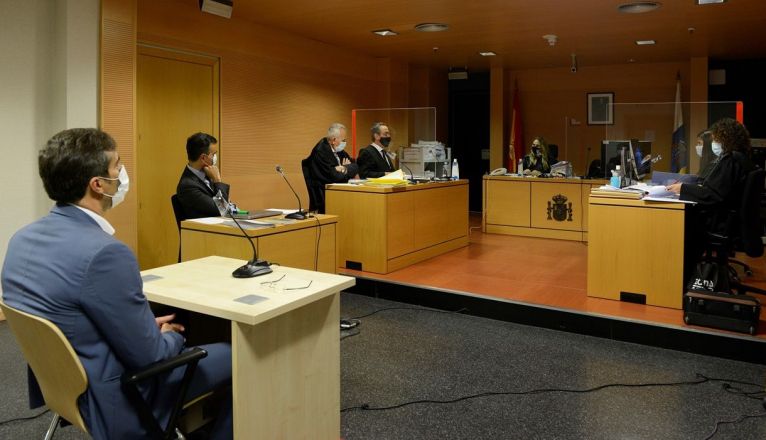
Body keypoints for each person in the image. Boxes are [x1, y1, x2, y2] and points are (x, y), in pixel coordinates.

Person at [1, 128, 232, 439]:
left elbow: (74, 312)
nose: (122, 173)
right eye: (117, 165)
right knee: (238, 356)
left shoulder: (21, 239)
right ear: (98, 185)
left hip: (62, 386)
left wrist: (141, 327)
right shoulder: (106, 253)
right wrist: (169, 335)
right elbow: (152, 356)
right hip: (118, 395)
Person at [666, 118, 754, 286]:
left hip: (718, 223)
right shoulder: (741, 158)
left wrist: (682, 188)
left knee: (678, 228)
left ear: (726, 138)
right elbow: (717, 189)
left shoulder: (730, 160)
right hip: (730, 221)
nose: (714, 143)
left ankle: (681, 283)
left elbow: (713, 194)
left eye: (716, 139)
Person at [305, 122, 359, 213]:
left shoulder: (339, 150)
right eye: (344, 140)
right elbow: (334, 177)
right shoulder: (320, 152)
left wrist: (344, 168)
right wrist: (346, 170)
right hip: (325, 199)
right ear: (334, 140)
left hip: (340, 194)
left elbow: (355, 166)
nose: (345, 143)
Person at [176, 132, 230, 219]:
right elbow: (221, 209)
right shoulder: (187, 186)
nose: (215, 157)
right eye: (213, 154)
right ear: (203, 158)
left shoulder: (207, 173)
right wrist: (217, 180)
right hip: (208, 227)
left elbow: (227, 205)